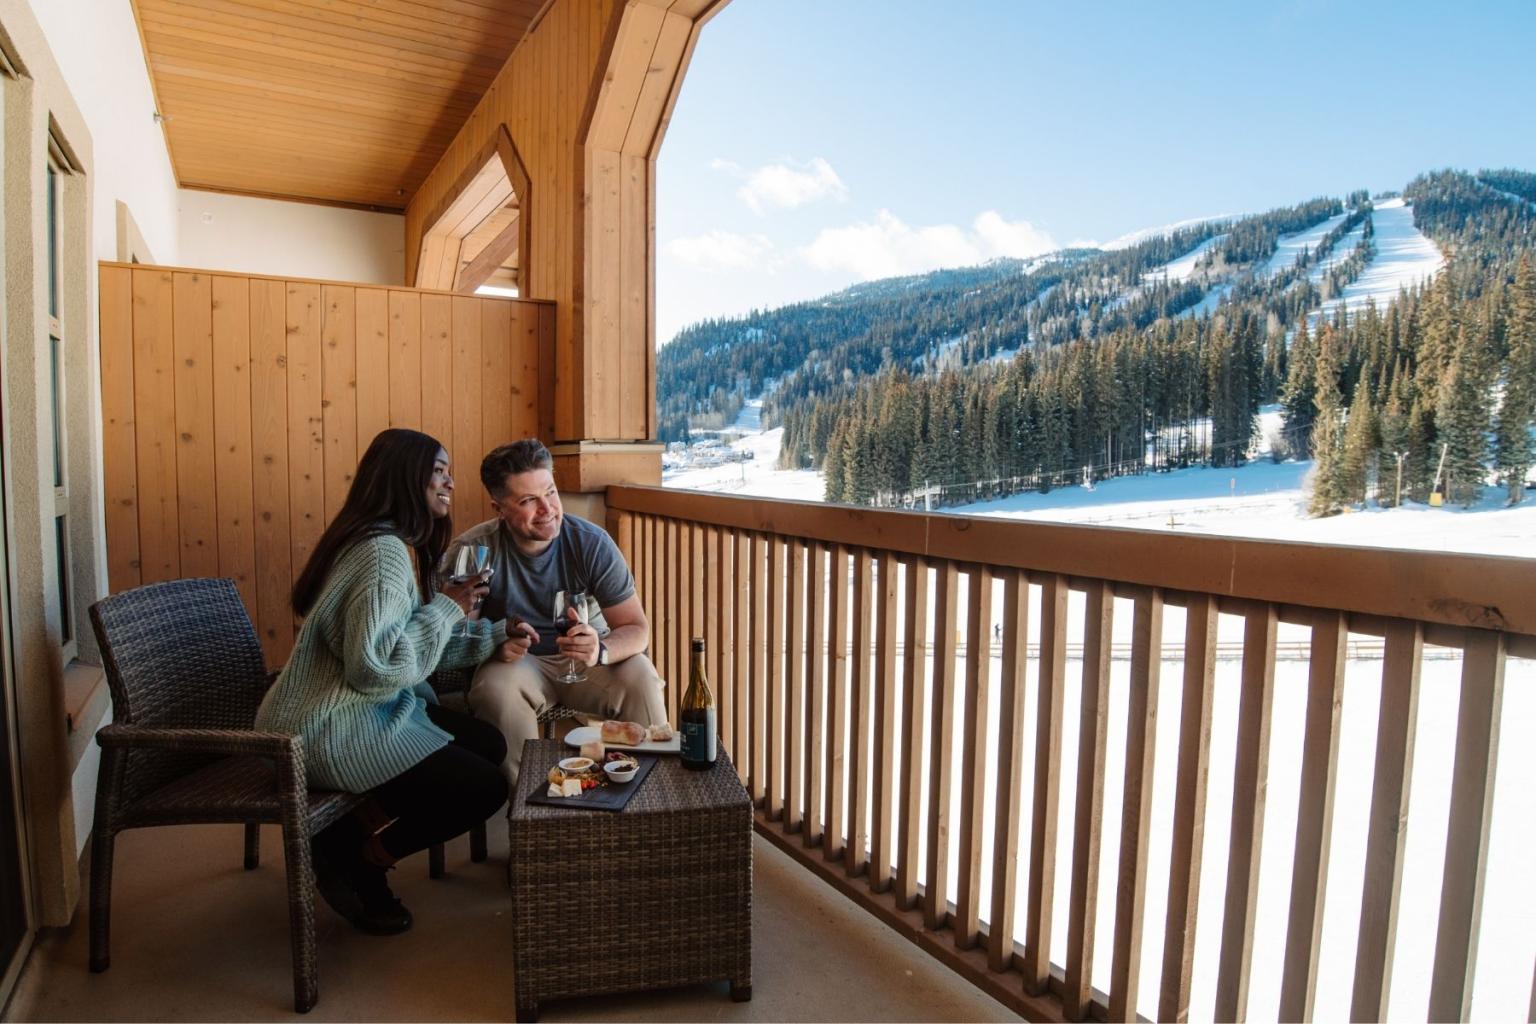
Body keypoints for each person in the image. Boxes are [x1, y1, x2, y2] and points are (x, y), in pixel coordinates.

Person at [255, 428, 519, 936]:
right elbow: (375, 669)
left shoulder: (381, 542)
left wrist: (492, 636)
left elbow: (406, 648)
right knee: (483, 788)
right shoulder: (382, 555)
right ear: (406, 477)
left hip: (349, 709)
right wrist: (448, 606)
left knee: (486, 743)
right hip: (327, 727)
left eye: (449, 473)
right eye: (439, 472)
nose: (451, 483)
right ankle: (361, 858)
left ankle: (346, 828)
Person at [446, 439, 667, 785]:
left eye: (550, 492)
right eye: (528, 500)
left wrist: (600, 649)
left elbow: (636, 628)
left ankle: (649, 793)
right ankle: (530, 804)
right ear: (498, 508)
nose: (547, 508)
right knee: (494, 690)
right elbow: (456, 638)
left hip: (587, 659)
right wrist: (493, 643)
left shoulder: (590, 542)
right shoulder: (474, 551)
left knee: (641, 675)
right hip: (518, 663)